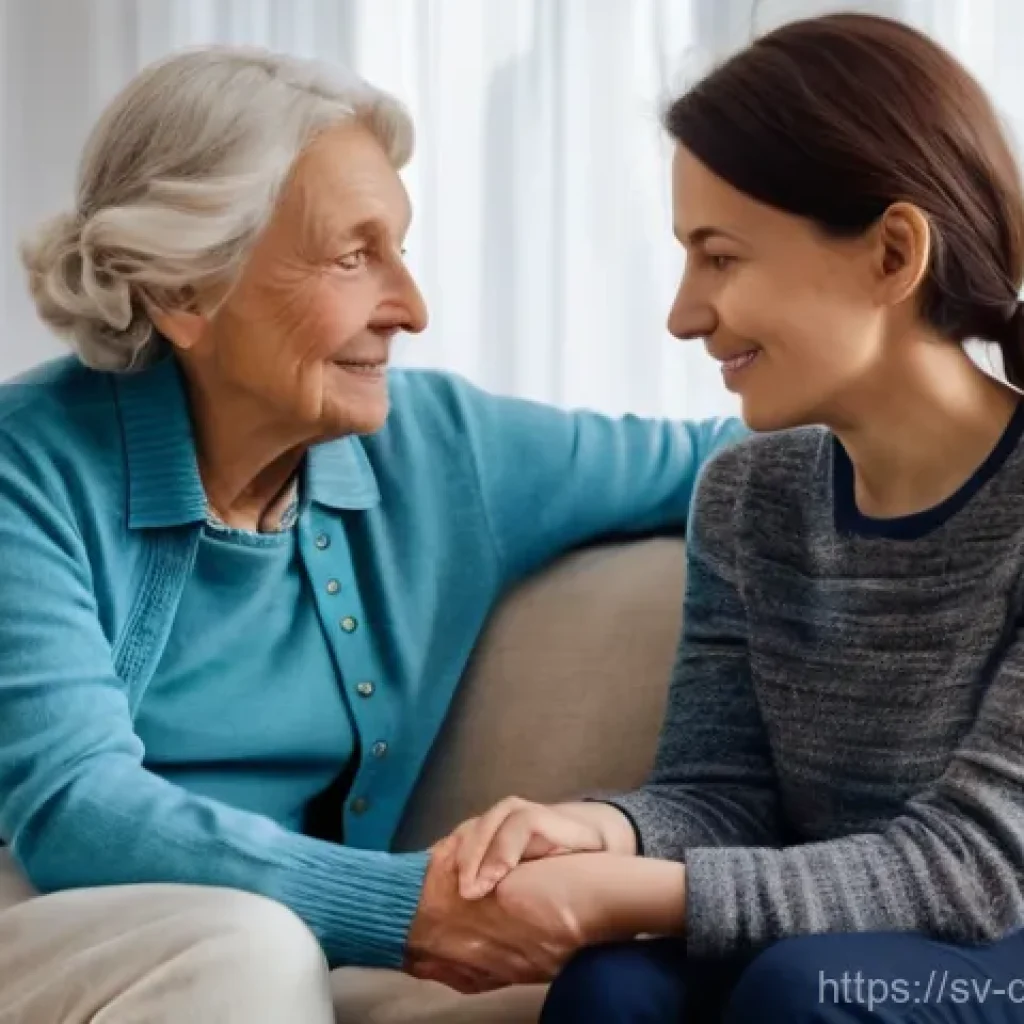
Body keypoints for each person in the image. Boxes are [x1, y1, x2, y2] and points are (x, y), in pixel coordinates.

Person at [0, 46, 741, 1023]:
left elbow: (729, 456)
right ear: (185, 291)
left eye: (399, 249)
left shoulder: (442, 449)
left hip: (297, 945)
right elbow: (73, 808)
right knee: (247, 948)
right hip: (45, 920)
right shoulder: (28, 468)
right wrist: (405, 907)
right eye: (354, 257)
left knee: (592, 997)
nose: (410, 308)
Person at [453, 13, 1024, 1023]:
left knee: (806, 991)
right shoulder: (748, 495)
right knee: (610, 989)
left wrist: (638, 891)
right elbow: (717, 793)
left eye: (718, 257)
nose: (682, 313)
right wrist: (595, 834)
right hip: (820, 939)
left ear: (891, 253)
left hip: (1000, 940)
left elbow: (974, 867)